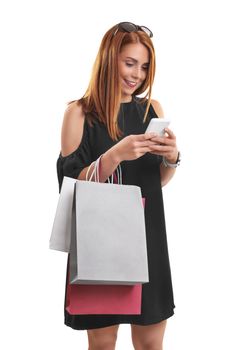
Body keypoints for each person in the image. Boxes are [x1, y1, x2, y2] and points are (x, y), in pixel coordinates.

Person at [56, 21, 180, 350]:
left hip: (147, 235)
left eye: (144, 66)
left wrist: (171, 159)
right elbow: (69, 185)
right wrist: (114, 156)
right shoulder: (79, 113)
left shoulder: (152, 110)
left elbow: (155, 182)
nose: (137, 74)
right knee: (102, 344)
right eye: (129, 63)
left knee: (152, 344)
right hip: (101, 240)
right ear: (110, 59)